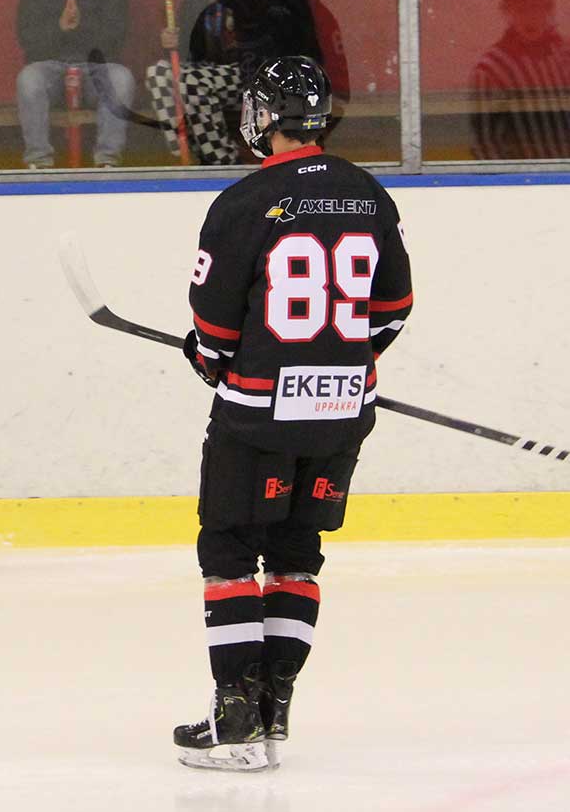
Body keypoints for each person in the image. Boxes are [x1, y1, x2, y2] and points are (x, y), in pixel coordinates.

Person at [173, 56, 413, 771]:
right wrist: (336, 365)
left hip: (258, 414)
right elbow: (393, 309)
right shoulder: (368, 193)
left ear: (262, 118)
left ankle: (235, 720)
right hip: (343, 411)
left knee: (228, 549)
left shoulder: (244, 202)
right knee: (296, 552)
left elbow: (214, 329)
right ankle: (273, 711)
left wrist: (208, 357)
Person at [144, 0, 321, 165]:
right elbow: (193, 44)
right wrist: (175, 40)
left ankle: (223, 162)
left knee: (191, 82)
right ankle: (184, 152)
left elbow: (274, 25)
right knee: (157, 73)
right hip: (212, 72)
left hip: (256, 73)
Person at [15, 0, 134, 168]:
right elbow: (27, 37)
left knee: (121, 79)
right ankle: (38, 162)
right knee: (28, 79)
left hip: (96, 67)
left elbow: (117, 35)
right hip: (50, 67)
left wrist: (82, 25)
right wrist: (59, 27)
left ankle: (107, 161)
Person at [470, 0, 570, 160]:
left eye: (538, 7)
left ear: (549, 8)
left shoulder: (563, 53)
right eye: (522, 9)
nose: (531, 17)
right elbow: (485, 144)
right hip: (527, 175)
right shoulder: (490, 69)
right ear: (507, 10)